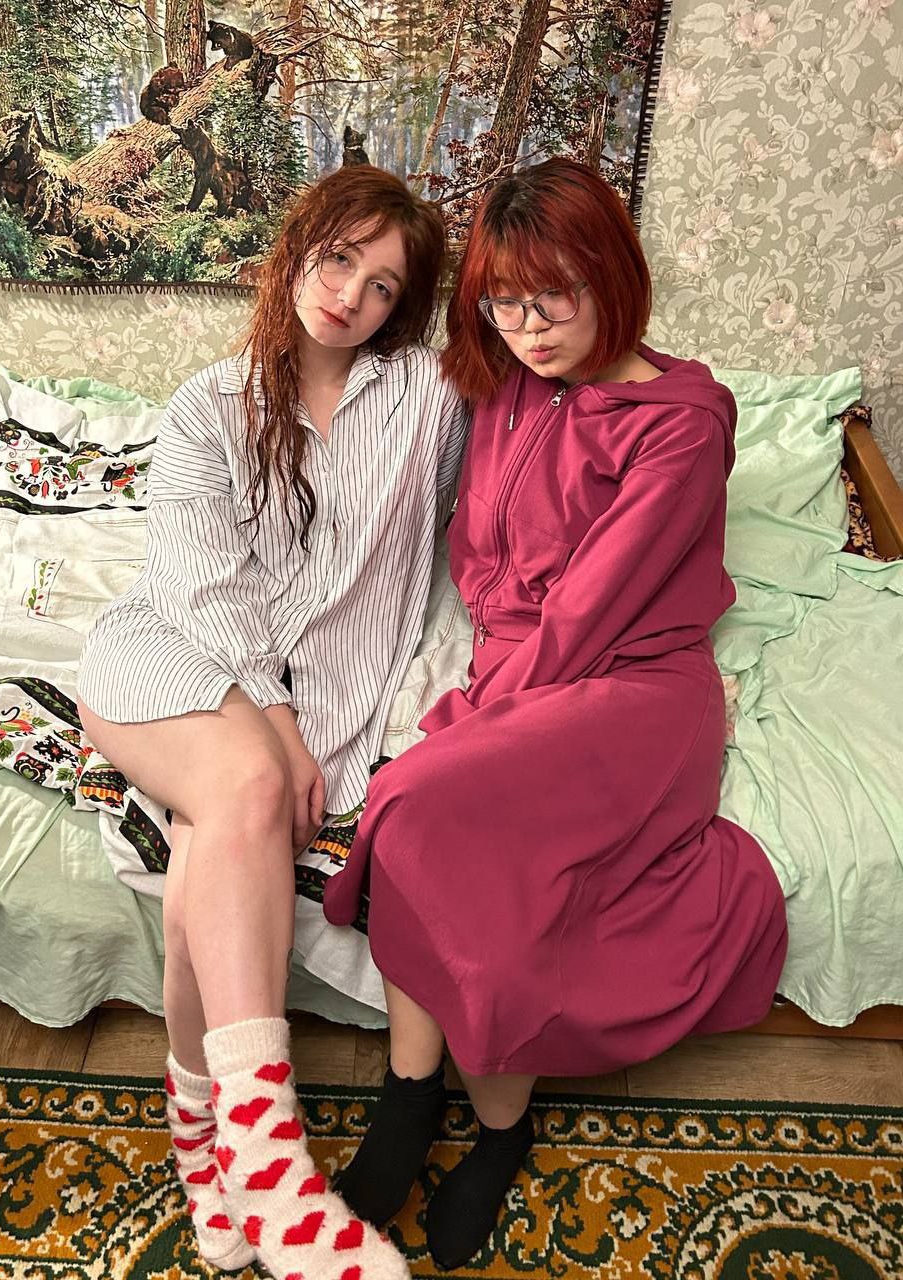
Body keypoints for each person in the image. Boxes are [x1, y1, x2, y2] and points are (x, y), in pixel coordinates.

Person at [323, 157, 788, 1269]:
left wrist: (480, 712)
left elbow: (589, 611)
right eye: (502, 302)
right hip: (528, 669)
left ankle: (498, 1130)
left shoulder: (683, 421)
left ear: (611, 276)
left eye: (552, 298)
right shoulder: (503, 379)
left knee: (419, 800)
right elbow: (453, 517)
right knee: (429, 823)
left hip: (633, 687)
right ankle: (412, 1092)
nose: (527, 328)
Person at [76, 165, 469, 1280]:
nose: (349, 296)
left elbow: (516, 459)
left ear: (403, 308)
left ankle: (205, 1147)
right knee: (250, 784)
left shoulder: (429, 399)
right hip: (171, 659)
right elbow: (201, 589)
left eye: (383, 285)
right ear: (298, 250)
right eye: (339, 259)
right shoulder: (209, 404)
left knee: (203, 860)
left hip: (320, 703)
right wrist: (283, 728)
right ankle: (274, 1162)